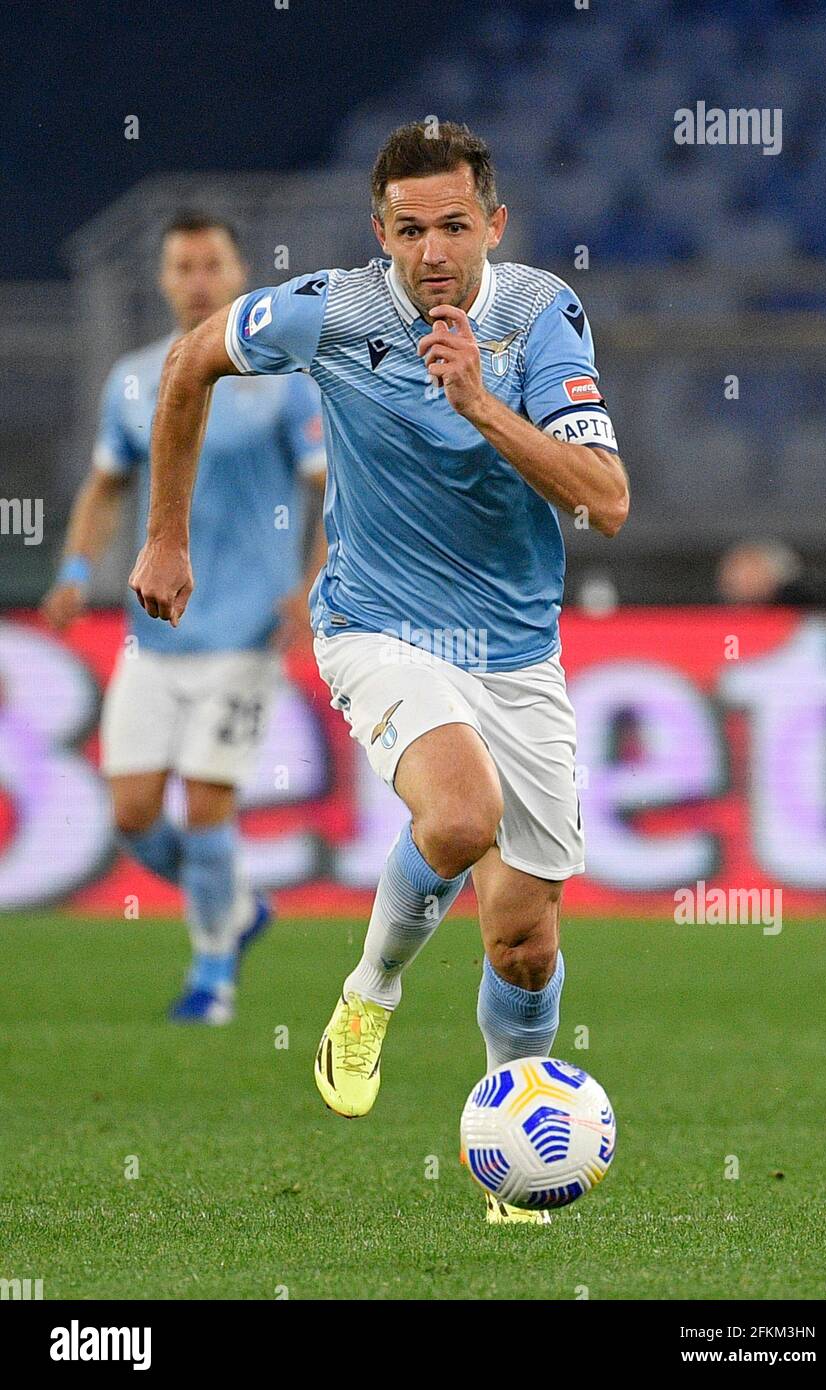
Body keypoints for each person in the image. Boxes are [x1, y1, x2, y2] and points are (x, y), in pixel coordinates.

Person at [128, 125, 629, 1222]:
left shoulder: (539, 316)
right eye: (409, 229)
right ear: (379, 233)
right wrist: (166, 538)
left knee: (524, 942)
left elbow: (604, 496)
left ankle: (512, 1142)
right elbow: (188, 360)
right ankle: (370, 990)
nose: (432, 249)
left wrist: (482, 404)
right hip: (376, 624)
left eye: (453, 224)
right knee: (455, 816)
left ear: (493, 225)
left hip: (516, 651)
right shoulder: (332, 309)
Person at [42, 212, 327, 1025]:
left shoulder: (280, 381)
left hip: (244, 634)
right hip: (155, 633)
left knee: (206, 804)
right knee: (132, 814)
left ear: (239, 272)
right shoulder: (136, 378)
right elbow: (105, 484)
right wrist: (72, 569)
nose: (198, 279)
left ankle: (213, 977)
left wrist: (311, 583)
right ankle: (235, 901)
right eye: (182, 266)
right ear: (164, 279)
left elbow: (327, 490)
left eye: (212, 263)